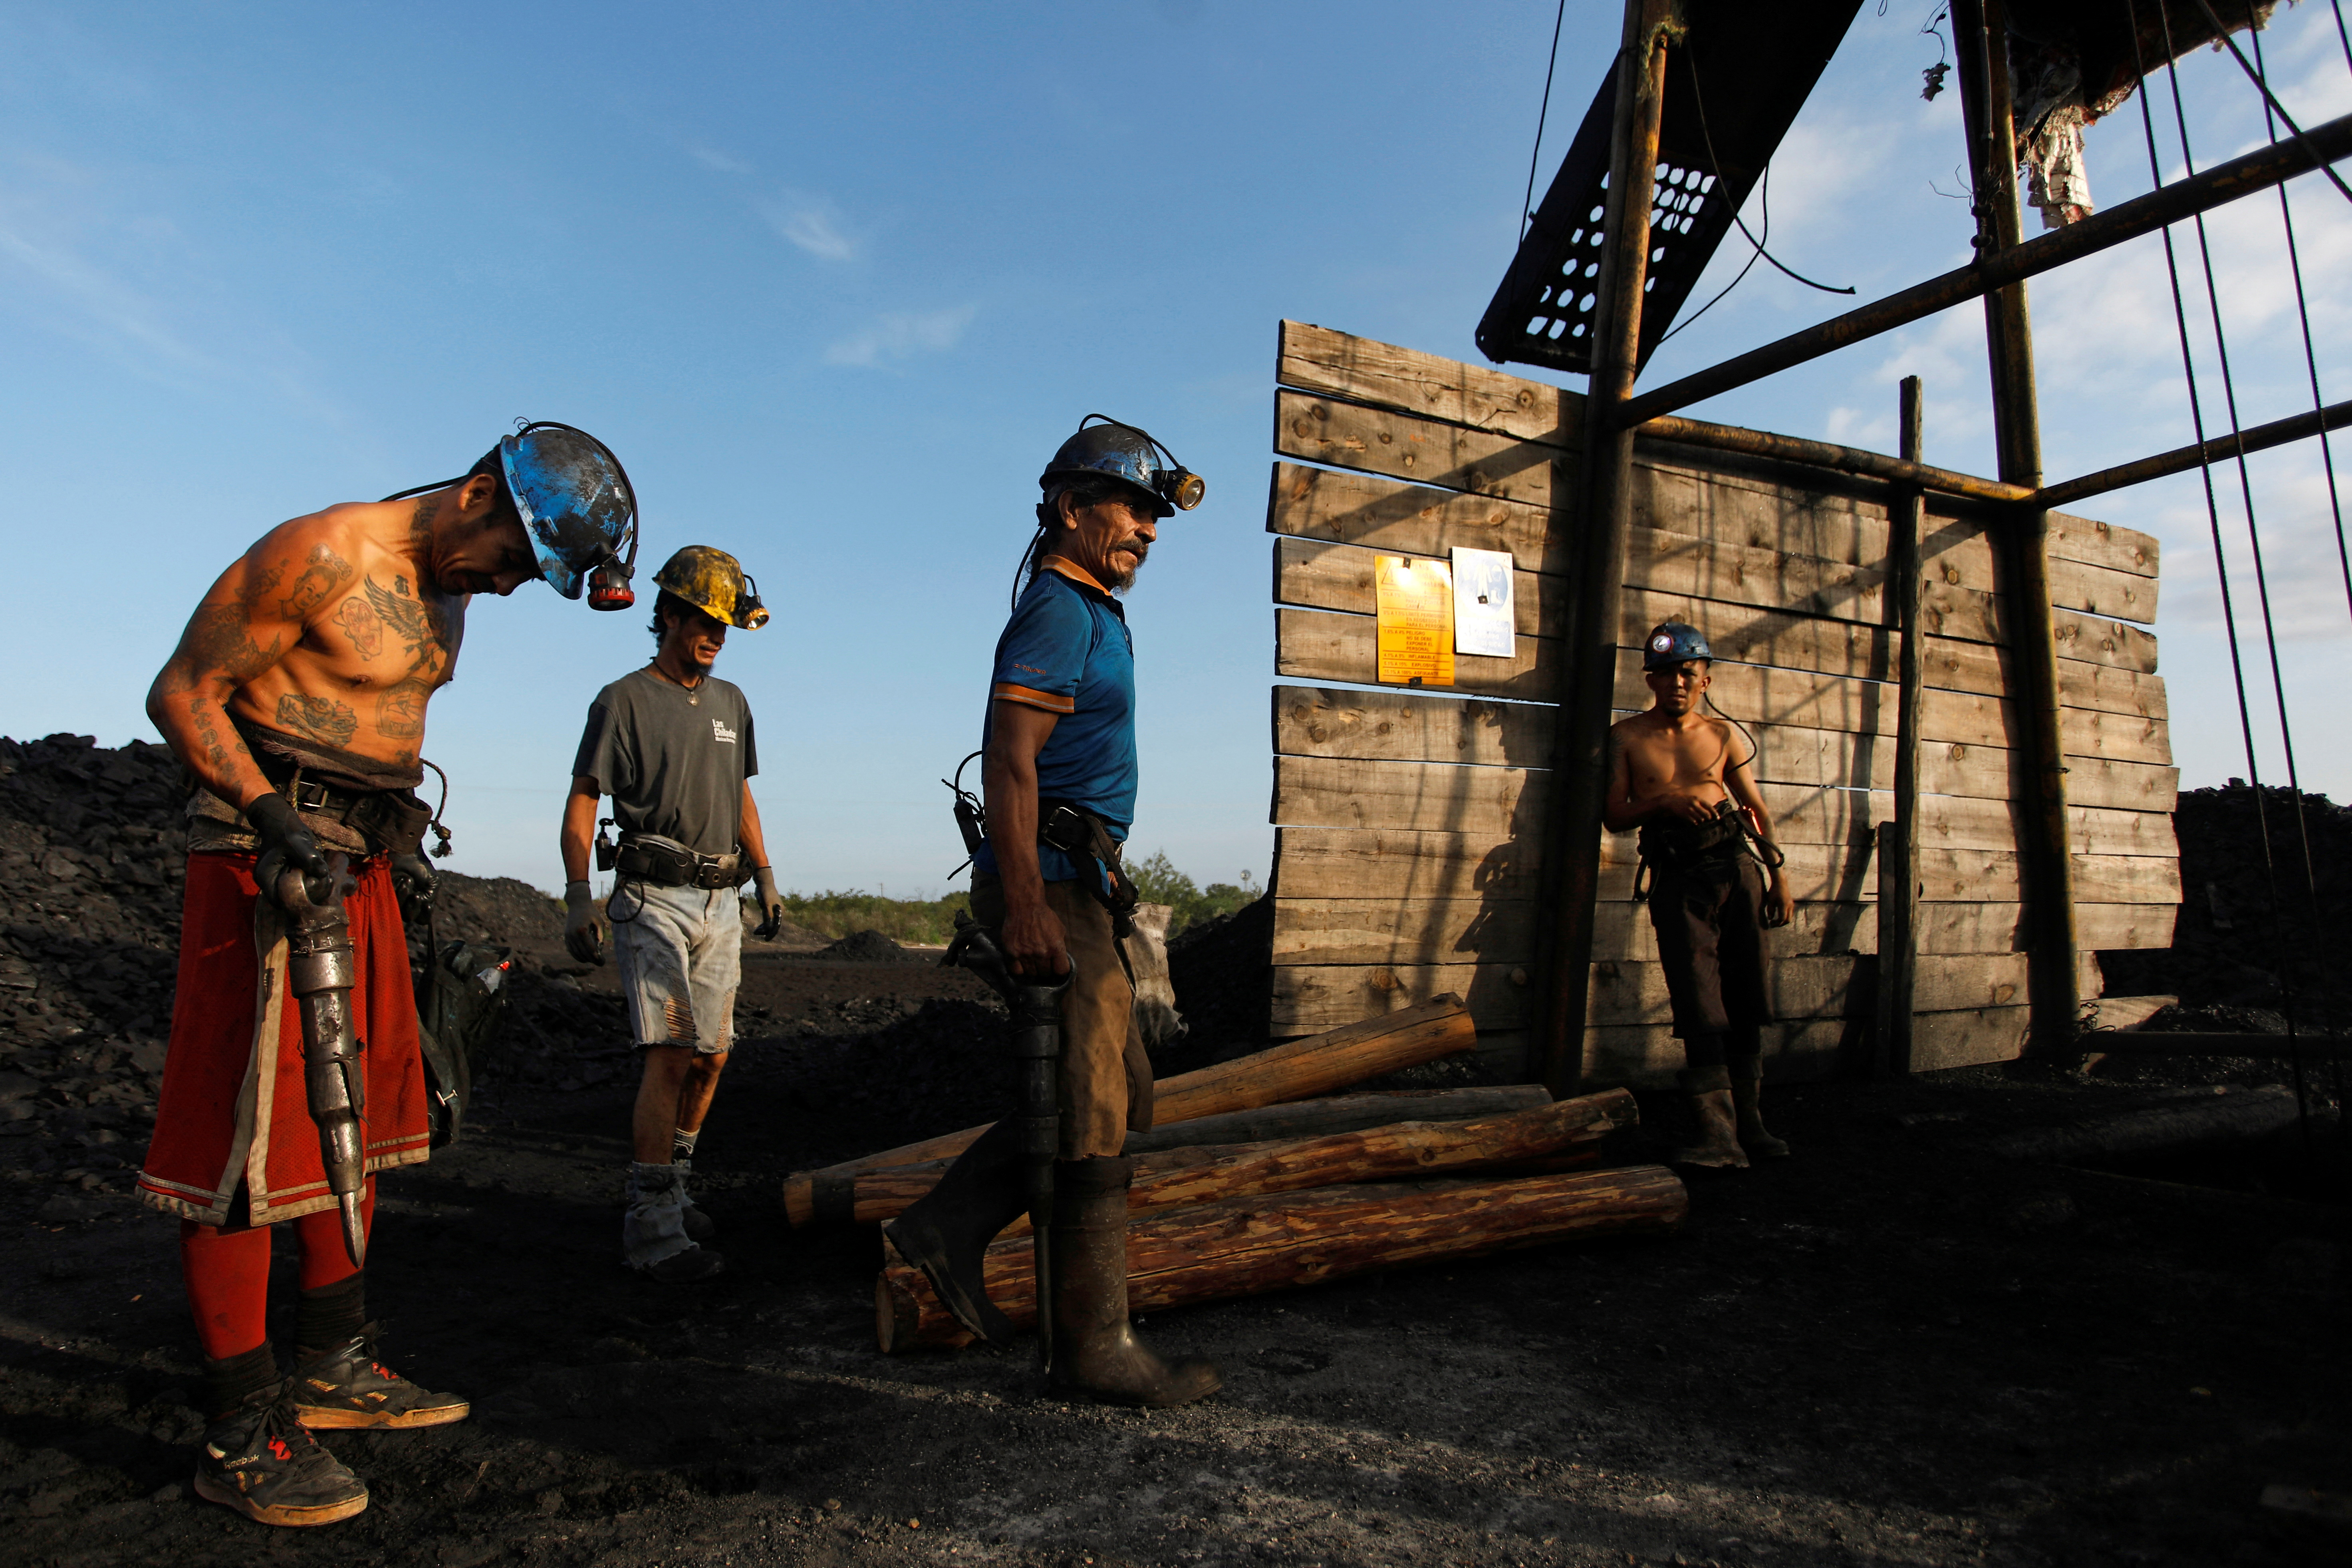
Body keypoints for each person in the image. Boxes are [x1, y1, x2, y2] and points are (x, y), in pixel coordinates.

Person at [138, 423, 642, 1526]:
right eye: (513, 559)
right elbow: (181, 694)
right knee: (247, 1134)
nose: (508, 587)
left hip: (365, 864)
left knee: (354, 1113)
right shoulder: (318, 552)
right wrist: (273, 820)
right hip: (262, 861)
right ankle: (236, 1429)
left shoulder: (450, 590)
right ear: (475, 495)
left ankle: (332, 1362)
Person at [885, 416, 1220, 1408]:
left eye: (1155, 517)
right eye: (1132, 509)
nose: (1148, 532)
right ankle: (1091, 1347)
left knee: (1126, 1095)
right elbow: (1007, 759)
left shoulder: (1096, 610)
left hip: (1086, 881)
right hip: (1051, 881)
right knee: (1089, 1101)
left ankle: (945, 1226)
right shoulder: (1057, 611)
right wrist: (1024, 900)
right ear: (1072, 509)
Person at [559, 546, 785, 1283]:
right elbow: (585, 798)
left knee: (712, 1055)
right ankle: (651, 1227)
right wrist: (575, 895)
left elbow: (741, 796)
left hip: (722, 897)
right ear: (670, 615)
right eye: (705, 620)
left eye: (725, 623)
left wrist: (767, 874)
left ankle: (674, 1188)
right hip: (652, 897)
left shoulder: (731, 704)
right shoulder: (622, 700)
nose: (716, 635)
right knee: (671, 1049)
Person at [1604, 621, 1797, 1170]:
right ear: (1650, 680)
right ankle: (1717, 1134)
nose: (1677, 684)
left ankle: (1751, 1124)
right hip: (1678, 876)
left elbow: (1755, 806)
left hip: (1736, 870)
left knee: (1746, 992)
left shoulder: (1721, 736)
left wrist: (1777, 874)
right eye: (1665, 675)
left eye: (1687, 673)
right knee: (1697, 998)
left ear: (1705, 678)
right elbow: (1614, 814)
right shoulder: (1627, 737)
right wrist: (1663, 803)